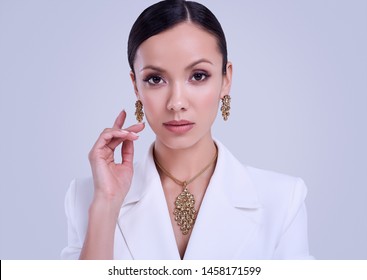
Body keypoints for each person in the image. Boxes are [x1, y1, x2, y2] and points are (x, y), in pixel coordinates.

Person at [61, 0, 313, 260]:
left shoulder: (282, 200)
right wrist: (106, 204)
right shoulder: (87, 197)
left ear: (226, 79)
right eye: (155, 79)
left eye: (198, 75)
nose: (177, 103)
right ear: (136, 86)